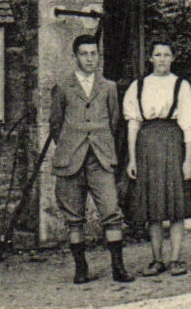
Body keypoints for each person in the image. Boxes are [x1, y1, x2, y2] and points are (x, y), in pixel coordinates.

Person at [49, 34, 133, 284]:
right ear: (74, 57)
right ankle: (81, 268)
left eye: (93, 53)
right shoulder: (63, 87)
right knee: (74, 217)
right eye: (84, 54)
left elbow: (114, 120)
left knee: (110, 210)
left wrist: (101, 146)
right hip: (71, 160)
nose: (89, 58)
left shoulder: (108, 87)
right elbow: (56, 124)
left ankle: (118, 267)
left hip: (100, 159)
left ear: (98, 56)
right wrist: (70, 145)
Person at [124, 42, 191, 276]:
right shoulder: (138, 86)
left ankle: (176, 258)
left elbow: (189, 124)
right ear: (150, 58)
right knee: (153, 207)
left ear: (172, 58)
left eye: (166, 55)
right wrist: (132, 159)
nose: (162, 59)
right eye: (157, 55)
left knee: (176, 206)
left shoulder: (181, 85)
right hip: (146, 146)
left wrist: (188, 160)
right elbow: (133, 123)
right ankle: (156, 259)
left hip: (173, 143)